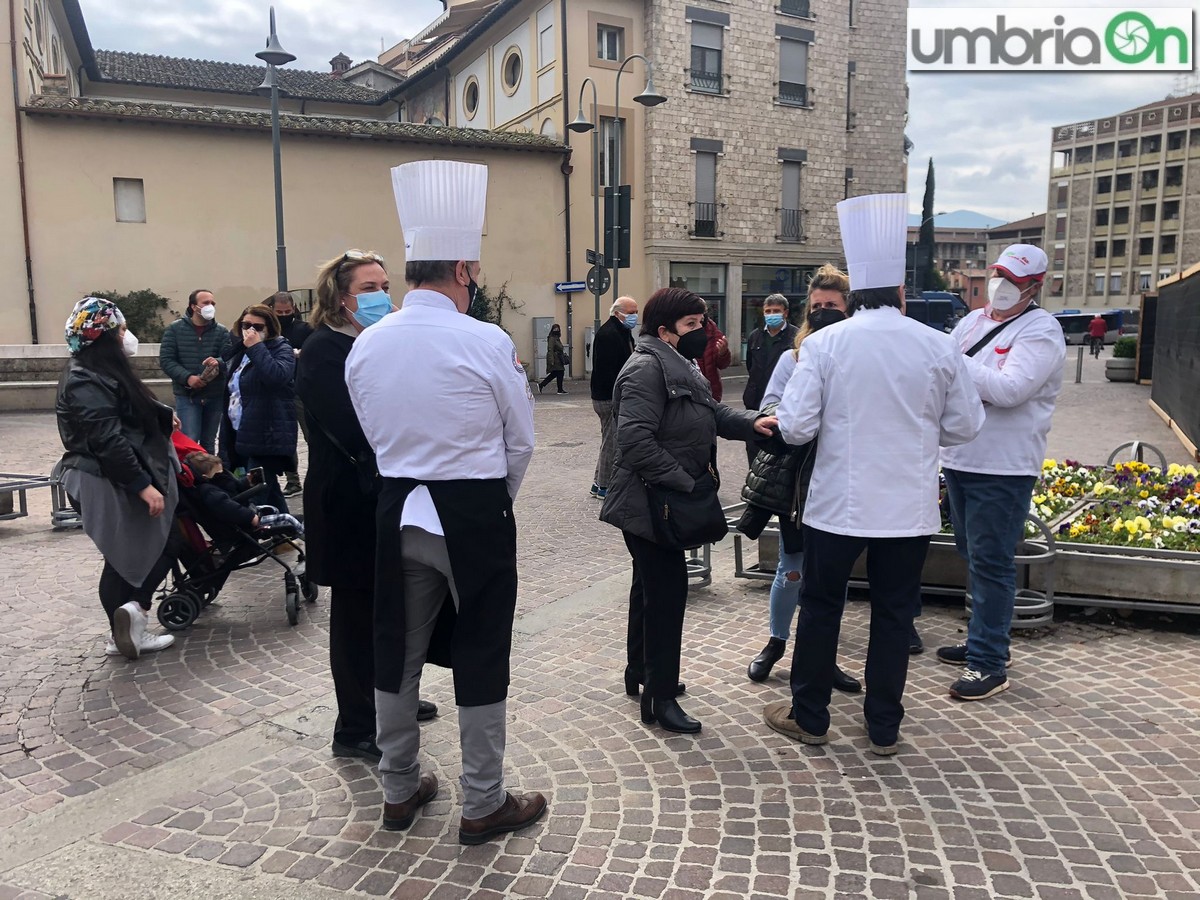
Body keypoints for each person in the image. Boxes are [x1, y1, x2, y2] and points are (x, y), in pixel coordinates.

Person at [346, 160, 545, 843]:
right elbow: (520, 443)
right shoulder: (486, 340)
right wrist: (495, 501)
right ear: (463, 269)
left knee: (393, 649)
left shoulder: (366, 346)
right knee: (484, 646)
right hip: (471, 509)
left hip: (397, 508)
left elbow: (374, 435)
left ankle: (399, 790)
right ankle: (483, 802)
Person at [766, 193, 985, 756]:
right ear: (902, 293)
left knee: (821, 608)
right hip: (907, 509)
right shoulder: (939, 346)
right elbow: (965, 427)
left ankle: (810, 716)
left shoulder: (824, 344)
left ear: (853, 294)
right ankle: (883, 726)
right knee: (892, 616)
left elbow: (794, 427)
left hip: (838, 503)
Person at [599, 287, 778, 736]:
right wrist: (687, 483)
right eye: (692, 326)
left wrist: (750, 421)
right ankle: (659, 699)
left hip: (658, 497)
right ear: (665, 331)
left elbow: (709, 411)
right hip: (651, 500)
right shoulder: (645, 369)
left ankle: (641, 672)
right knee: (667, 595)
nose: (703, 333)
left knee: (649, 588)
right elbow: (635, 442)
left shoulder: (677, 363)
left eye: (703, 323)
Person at [295, 249, 437, 766]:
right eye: (370, 287)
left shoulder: (372, 342)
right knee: (356, 617)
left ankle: (389, 699)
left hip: (382, 496)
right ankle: (354, 724)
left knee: (389, 608)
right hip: (347, 501)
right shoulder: (323, 351)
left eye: (385, 284)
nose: (383, 295)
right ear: (340, 297)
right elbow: (360, 428)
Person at [938, 244, 1065, 701]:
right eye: (999, 275)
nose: (1003, 285)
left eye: (1015, 279)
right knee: (973, 555)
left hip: (1004, 466)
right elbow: (950, 379)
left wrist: (959, 367)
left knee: (992, 562)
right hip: (959, 458)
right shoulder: (972, 321)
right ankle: (983, 638)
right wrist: (967, 376)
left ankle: (989, 660)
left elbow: (1011, 390)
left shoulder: (1041, 330)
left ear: (1035, 285)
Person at [740, 264, 859, 692]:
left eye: (833, 305)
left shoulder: (857, 356)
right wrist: (800, 411)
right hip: (798, 480)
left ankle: (823, 656)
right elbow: (770, 405)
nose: (825, 311)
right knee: (792, 567)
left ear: (849, 309)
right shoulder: (795, 357)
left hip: (841, 478)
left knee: (831, 575)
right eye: (818, 305)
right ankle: (775, 643)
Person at [54, 297, 179, 661]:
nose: (128, 337)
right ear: (105, 337)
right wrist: (143, 486)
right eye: (121, 330)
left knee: (148, 546)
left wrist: (162, 415)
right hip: (103, 478)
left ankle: (130, 619)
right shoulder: (83, 378)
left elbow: (123, 412)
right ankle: (128, 624)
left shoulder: (97, 372)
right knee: (127, 553)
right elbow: (107, 439)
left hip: (113, 474)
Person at [218, 304, 297, 514]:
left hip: (266, 434)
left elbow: (277, 376)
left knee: (254, 495)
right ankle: (285, 537)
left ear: (270, 327)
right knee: (268, 490)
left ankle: (251, 541)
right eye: (246, 325)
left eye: (257, 326)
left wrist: (256, 347)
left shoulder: (282, 349)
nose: (250, 330)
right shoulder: (241, 351)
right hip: (240, 432)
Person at [159, 289, 231, 453]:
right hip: (188, 395)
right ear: (193, 306)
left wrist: (218, 362)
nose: (210, 306)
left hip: (214, 394)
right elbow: (166, 359)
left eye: (213, 303)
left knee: (209, 442)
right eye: (205, 303)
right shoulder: (175, 329)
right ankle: (189, 476)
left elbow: (229, 357)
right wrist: (187, 377)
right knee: (189, 440)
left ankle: (208, 477)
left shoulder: (221, 331)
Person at [183, 451, 304, 536]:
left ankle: (286, 537)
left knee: (273, 510)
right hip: (245, 522)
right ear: (206, 477)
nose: (223, 475)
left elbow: (233, 490)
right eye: (219, 473)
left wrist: (246, 482)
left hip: (247, 511)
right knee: (287, 518)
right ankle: (304, 534)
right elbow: (229, 508)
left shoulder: (218, 482)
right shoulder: (209, 492)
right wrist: (251, 518)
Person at [589, 296, 638, 500]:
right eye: (631, 312)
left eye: (636, 311)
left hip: (606, 394)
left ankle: (598, 481)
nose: (635, 315)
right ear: (618, 313)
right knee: (612, 441)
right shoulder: (610, 334)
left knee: (608, 439)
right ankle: (604, 485)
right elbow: (611, 371)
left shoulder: (620, 331)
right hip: (609, 396)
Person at [743, 293, 800, 464]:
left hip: (782, 405)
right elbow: (750, 365)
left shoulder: (796, 337)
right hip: (755, 404)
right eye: (768, 311)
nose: (771, 314)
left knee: (778, 456)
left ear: (786, 313)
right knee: (754, 451)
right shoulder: (755, 336)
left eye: (776, 310)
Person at [267, 291, 313, 497]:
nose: (284, 315)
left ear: (293, 309)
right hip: (278, 390)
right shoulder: (268, 331)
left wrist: (301, 353)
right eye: (279, 312)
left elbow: (315, 351)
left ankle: (314, 475)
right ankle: (293, 480)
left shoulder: (304, 329)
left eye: (287, 311)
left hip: (301, 390)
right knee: (286, 438)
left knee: (312, 436)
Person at [697, 311, 732, 401]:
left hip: (712, 392)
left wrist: (723, 353)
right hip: (691, 391)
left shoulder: (714, 332)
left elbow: (723, 365)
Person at [537, 324, 567, 394]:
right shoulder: (552, 338)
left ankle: (542, 385)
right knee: (560, 372)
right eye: (555, 329)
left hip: (558, 358)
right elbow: (550, 349)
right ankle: (559, 390)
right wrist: (551, 360)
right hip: (555, 358)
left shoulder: (557, 338)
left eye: (557, 329)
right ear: (552, 330)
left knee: (555, 374)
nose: (556, 330)